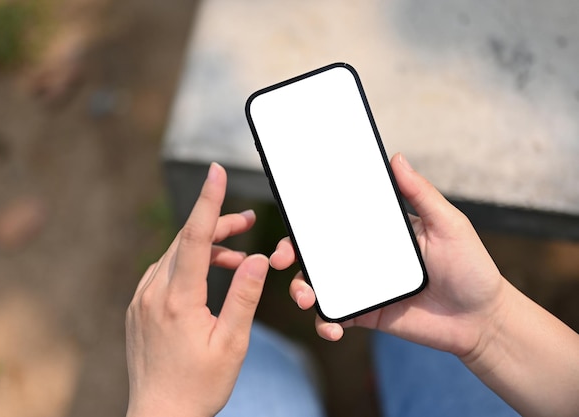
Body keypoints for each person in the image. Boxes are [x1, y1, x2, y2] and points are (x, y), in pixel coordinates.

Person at [125, 155, 579, 417]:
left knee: (254, 362)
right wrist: (489, 322)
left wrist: (164, 404)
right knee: (416, 341)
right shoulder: (472, 312)